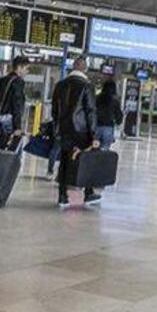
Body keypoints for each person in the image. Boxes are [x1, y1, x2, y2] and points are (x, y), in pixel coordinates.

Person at [53, 57, 101, 208]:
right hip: (82, 130)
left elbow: (55, 110)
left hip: (64, 130)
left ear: (73, 67)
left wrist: (57, 129)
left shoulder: (60, 85)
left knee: (64, 161)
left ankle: (62, 196)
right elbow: (91, 111)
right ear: (85, 69)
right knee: (87, 160)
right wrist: (94, 135)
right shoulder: (87, 86)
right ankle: (88, 193)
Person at [0, 56, 29, 150]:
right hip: (9, 120)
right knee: (12, 150)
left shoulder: (3, 80)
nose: (27, 71)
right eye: (26, 68)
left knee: (1, 146)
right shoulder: (18, 82)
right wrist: (17, 127)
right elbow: (17, 104)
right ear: (19, 67)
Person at [94, 79, 120, 150]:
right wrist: (118, 122)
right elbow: (118, 115)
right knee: (104, 150)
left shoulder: (96, 98)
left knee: (94, 149)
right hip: (108, 127)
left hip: (96, 127)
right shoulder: (115, 100)